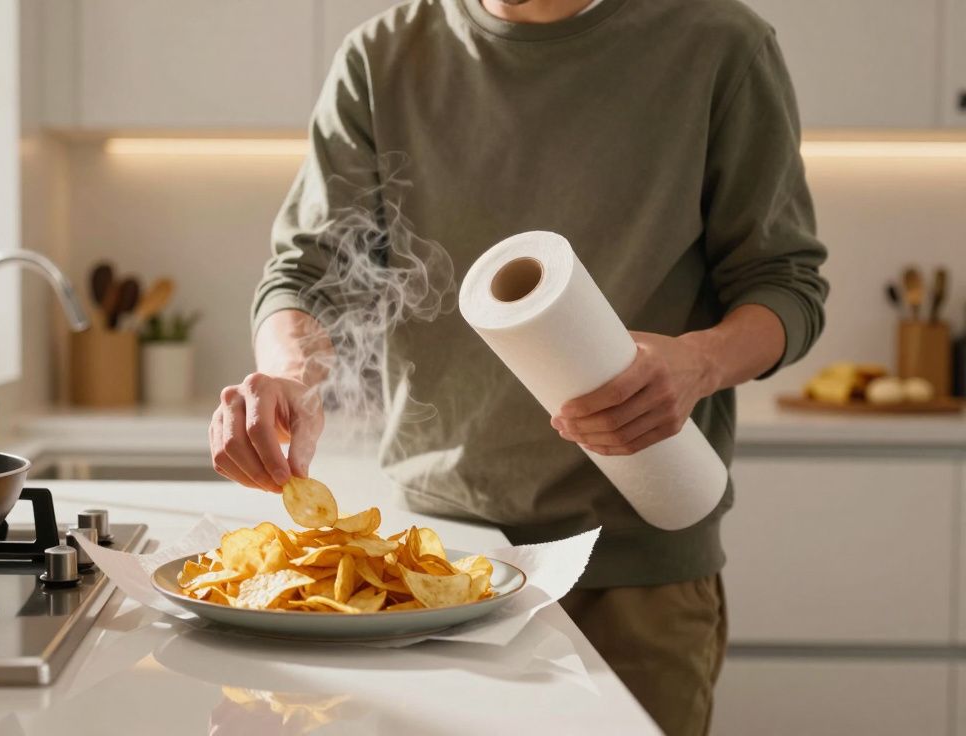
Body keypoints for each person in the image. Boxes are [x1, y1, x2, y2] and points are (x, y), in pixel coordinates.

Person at [208, 0, 828, 733]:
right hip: (427, 570)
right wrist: (288, 375)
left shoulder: (720, 45)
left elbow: (785, 284)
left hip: (634, 569)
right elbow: (308, 273)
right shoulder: (383, 56)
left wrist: (697, 362)